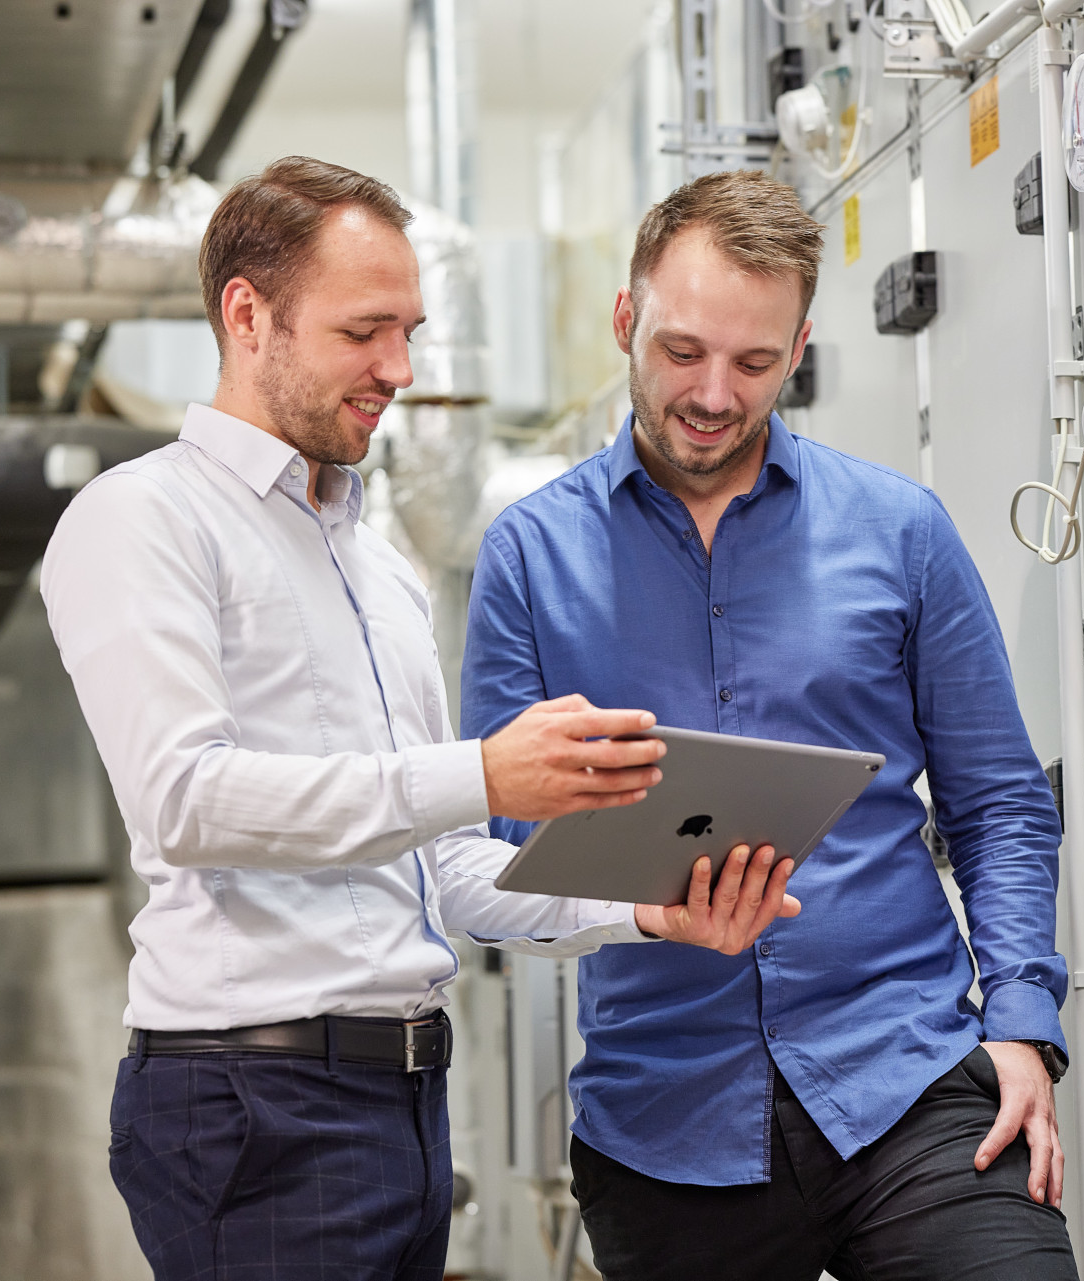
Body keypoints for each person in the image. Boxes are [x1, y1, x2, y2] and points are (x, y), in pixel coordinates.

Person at [40, 156, 798, 1281]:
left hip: (402, 1102)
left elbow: (450, 878)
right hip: (251, 1101)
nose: (400, 368)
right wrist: (484, 776)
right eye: (366, 331)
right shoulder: (143, 520)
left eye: (411, 329)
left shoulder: (380, 568)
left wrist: (647, 910)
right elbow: (186, 801)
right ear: (247, 315)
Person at [464, 169, 1078, 1280]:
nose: (712, 393)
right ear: (625, 320)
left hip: (911, 1081)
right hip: (665, 1120)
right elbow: (500, 862)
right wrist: (641, 909)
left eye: (753, 363)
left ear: (799, 350)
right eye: (682, 352)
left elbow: (998, 804)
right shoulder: (528, 560)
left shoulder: (901, 532)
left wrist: (1023, 1025)